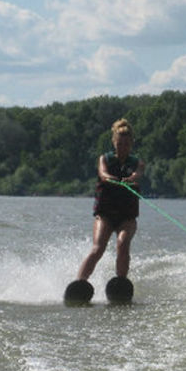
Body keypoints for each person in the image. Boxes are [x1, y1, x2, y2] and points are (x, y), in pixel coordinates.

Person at [76, 118, 145, 281]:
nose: (123, 148)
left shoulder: (138, 163)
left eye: (126, 144)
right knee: (98, 248)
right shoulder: (104, 159)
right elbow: (103, 174)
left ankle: (120, 283)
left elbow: (137, 175)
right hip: (105, 214)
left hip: (127, 217)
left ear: (131, 144)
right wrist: (111, 178)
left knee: (122, 244)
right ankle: (79, 282)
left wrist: (131, 179)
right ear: (114, 143)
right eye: (120, 144)